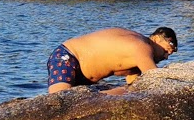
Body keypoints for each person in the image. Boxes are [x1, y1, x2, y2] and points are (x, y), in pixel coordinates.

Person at [47, 26, 178, 93]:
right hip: (68, 57)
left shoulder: (139, 54)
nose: (165, 57)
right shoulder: (141, 47)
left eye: (169, 55)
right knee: (59, 102)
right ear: (155, 39)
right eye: (166, 51)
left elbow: (134, 86)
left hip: (85, 75)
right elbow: (155, 78)